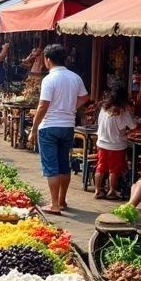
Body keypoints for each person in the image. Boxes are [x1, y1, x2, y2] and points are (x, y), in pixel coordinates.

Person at [28, 44, 89, 214]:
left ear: (48, 60)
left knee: (51, 167)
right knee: (64, 164)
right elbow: (85, 97)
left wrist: (33, 129)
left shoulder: (49, 79)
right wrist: (71, 107)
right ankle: (62, 201)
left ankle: (54, 204)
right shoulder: (75, 77)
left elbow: (43, 106)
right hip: (68, 126)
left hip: (49, 126)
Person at [94, 88, 135, 200]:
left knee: (101, 166)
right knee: (114, 168)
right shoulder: (123, 112)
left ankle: (97, 190)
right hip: (117, 145)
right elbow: (133, 126)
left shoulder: (103, 109)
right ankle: (111, 190)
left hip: (102, 143)